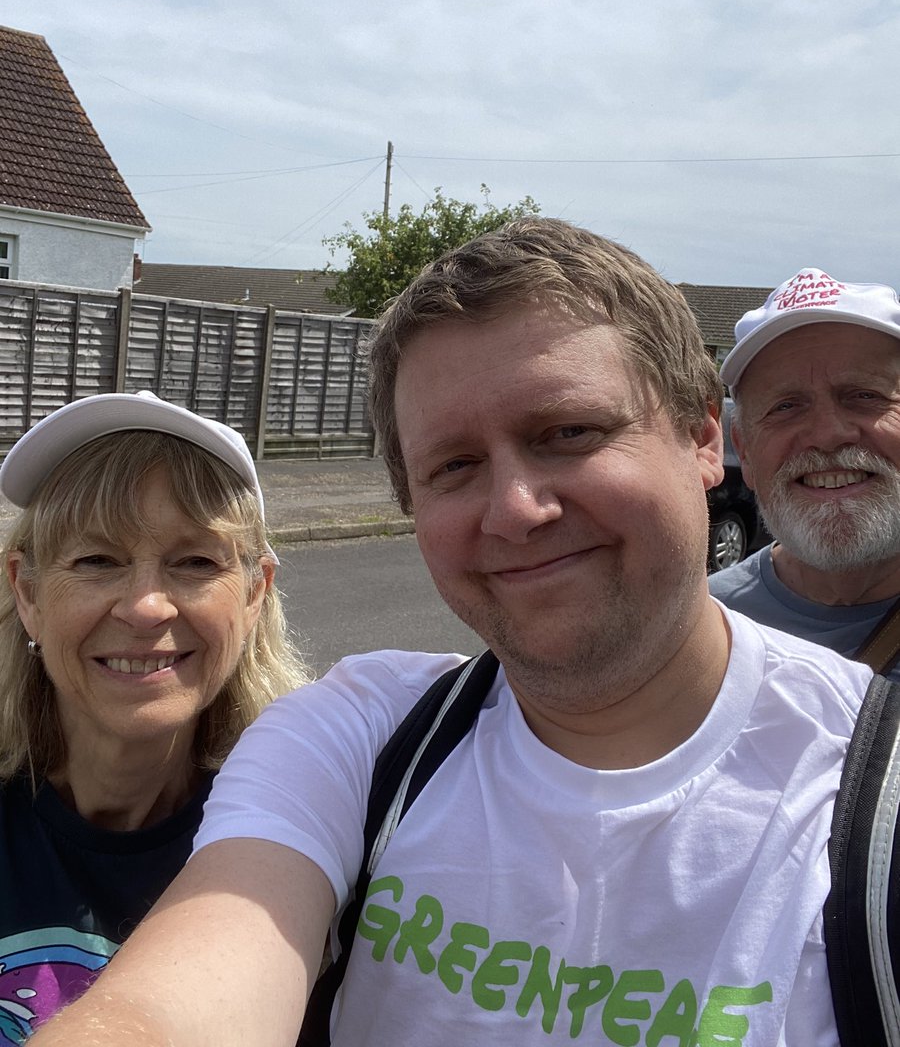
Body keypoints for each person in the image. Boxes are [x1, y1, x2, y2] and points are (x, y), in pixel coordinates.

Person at [31, 223, 875, 1046]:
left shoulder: (873, 796)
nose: (515, 509)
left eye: (569, 433)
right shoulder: (362, 736)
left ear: (702, 436)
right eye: (456, 466)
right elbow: (190, 991)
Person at [0, 390, 307, 1043]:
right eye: (96, 560)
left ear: (255, 593)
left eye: (195, 562)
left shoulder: (309, 826)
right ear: (27, 592)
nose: (146, 607)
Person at [709, 268, 900, 668]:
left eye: (864, 395)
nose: (827, 435)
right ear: (744, 452)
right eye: (786, 406)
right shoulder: (702, 634)